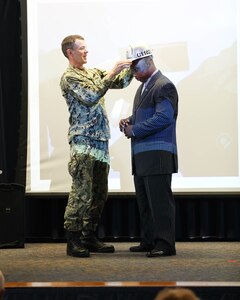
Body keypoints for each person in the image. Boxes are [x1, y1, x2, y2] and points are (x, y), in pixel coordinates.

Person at [60, 35, 133, 257]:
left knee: (99, 193)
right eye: (81, 49)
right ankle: (73, 240)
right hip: (83, 142)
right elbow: (91, 96)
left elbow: (120, 82)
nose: (86, 52)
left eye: (86, 48)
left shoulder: (92, 73)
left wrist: (130, 66)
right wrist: (112, 71)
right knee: (81, 193)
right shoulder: (69, 77)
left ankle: (88, 236)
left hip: (100, 141)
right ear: (70, 52)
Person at [119, 45, 178, 257]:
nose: (132, 72)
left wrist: (134, 129)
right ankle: (150, 240)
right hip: (143, 156)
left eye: (135, 66)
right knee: (146, 202)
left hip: (157, 155)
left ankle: (165, 244)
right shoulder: (142, 87)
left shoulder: (164, 86)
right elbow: (147, 116)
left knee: (159, 202)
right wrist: (129, 120)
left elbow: (164, 118)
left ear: (149, 61)